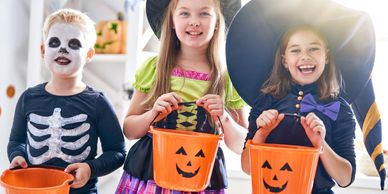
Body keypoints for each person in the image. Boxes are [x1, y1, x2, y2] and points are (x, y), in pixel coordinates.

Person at [226, 1, 377, 193]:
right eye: (295, 50)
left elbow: (345, 178)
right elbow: (248, 168)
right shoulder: (265, 101)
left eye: (314, 49)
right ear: (285, 60)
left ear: (327, 56)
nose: (305, 56)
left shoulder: (338, 108)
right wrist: (261, 134)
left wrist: (320, 144)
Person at [115, 0, 247, 193]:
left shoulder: (228, 79)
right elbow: (129, 130)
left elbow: (242, 145)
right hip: (150, 174)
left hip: (201, 175)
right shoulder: (154, 68)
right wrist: (153, 113)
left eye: (204, 13)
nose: (194, 22)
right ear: (171, 20)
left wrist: (224, 117)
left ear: (218, 20)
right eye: (184, 13)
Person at [7, 8, 126, 194]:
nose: (63, 49)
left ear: (88, 54)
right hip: (33, 190)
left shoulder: (98, 103)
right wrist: (17, 156)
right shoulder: (28, 98)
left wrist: (90, 168)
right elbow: (16, 141)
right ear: (43, 50)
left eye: (74, 44)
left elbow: (117, 152)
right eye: (55, 42)